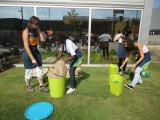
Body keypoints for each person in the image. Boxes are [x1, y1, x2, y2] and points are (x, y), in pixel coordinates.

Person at [22, 16, 49, 92]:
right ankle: (28, 86)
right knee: (29, 70)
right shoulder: (26, 31)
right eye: (36, 24)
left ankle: (41, 86)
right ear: (30, 23)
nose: (37, 26)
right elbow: (26, 46)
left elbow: (42, 40)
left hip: (35, 51)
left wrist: (39, 30)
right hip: (28, 53)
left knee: (39, 69)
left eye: (38, 24)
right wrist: (32, 58)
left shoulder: (36, 31)